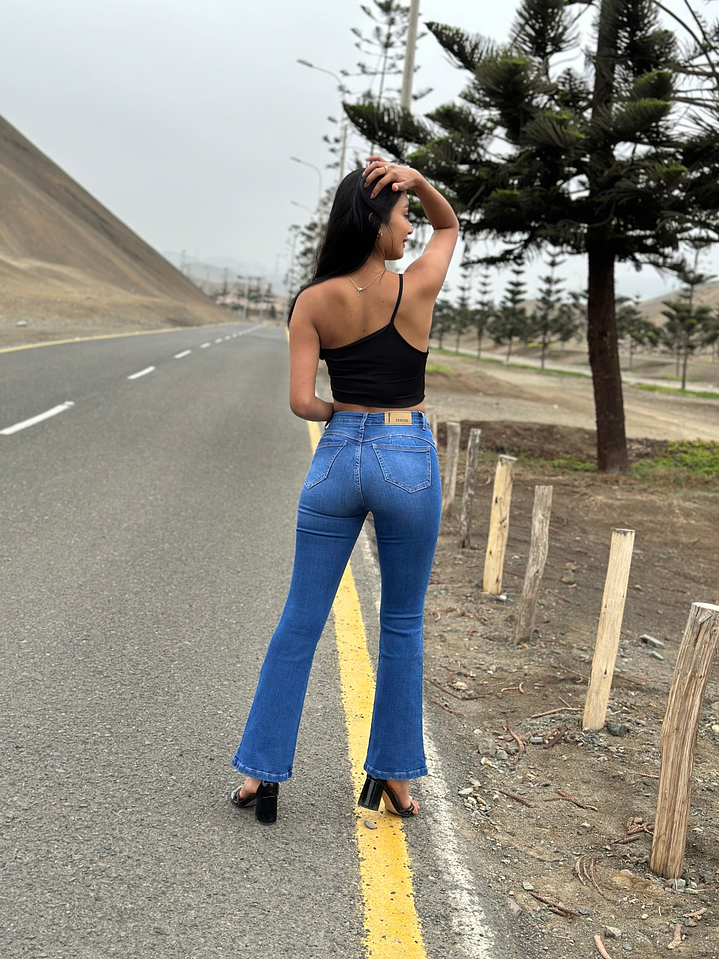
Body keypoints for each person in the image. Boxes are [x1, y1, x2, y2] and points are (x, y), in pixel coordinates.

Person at [229, 155, 459, 824]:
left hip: (335, 457)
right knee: (402, 623)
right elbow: (450, 227)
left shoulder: (312, 300)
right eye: (402, 216)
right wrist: (419, 180)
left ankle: (259, 775)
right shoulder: (414, 289)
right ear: (375, 221)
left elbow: (303, 402)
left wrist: (345, 417)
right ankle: (393, 778)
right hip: (406, 455)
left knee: (300, 619)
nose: (412, 227)